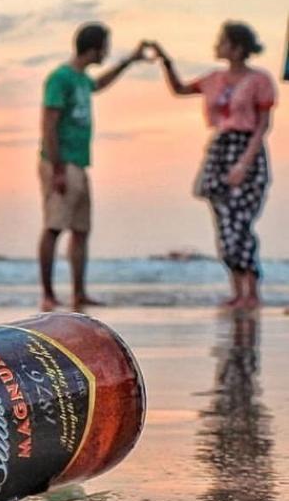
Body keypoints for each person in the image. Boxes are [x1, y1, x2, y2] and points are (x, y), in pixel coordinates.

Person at [152, 23, 276, 311]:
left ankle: (251, 291)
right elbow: (181, 89)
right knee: (223, 222)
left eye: (222, 41)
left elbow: (263, 125)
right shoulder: (214, 78)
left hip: (247, 149)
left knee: (240, 222)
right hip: (220, 148)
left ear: (237, 47)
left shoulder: (259, 80)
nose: (217, 46)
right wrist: (165, 61)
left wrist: (244, 163)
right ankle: (236, 291)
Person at [38, 23, 148, 311]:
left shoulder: (82, 80)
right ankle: (48, 294)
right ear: (95, 48)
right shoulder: (60, 78)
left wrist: (128, 62)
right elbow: (48, 123)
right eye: (106, 47)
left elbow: (99, 84)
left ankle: (79, 293)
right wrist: (57, 167)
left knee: (81, 229)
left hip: (79, 162)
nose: (107, 53)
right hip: (59, 161)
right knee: (54, 226)